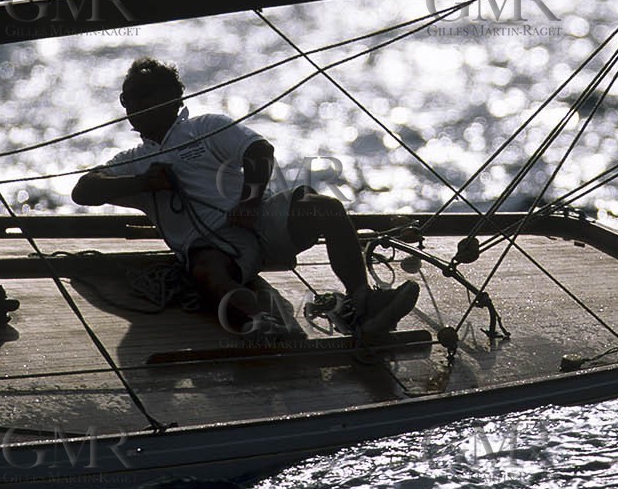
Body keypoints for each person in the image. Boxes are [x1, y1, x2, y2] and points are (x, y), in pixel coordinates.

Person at [71, 57, 416, 337]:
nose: (133, 105)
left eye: (145, 95)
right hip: (213, 246)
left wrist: (250, 203)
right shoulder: (132, 162)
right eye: (128, 98)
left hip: (257, 217)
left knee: (326, 209)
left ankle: (362, 302)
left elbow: (259, 151)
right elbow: (83, 190)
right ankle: (263, 323)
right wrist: (144, 183)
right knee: (205, 270)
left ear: (174, 98)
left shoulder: (204, 127)